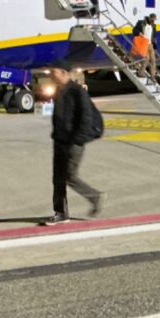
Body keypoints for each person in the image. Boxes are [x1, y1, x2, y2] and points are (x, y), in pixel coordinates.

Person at [45, 59, 104, 224]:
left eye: (54, 71)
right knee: (58, 178)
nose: (51, 74)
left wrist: (78, 139)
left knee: (69, 176)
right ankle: (61, 213)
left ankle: (95, 196)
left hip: (74, 141)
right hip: (59, 140)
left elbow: (86, 116)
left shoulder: (77, 91)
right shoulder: (58, 90)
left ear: (63, 72)